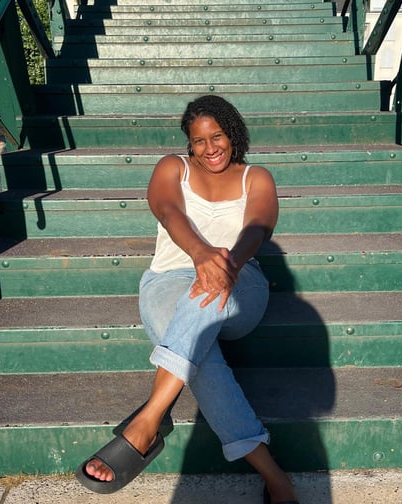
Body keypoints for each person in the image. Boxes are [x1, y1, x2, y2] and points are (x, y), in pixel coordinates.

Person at [76, 95, 299, 504]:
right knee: (200, 346)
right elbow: (166, 209)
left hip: (240, 279)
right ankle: (273, 476)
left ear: (233, 134)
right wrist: (200, 254)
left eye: (217, 137)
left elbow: (258, 226)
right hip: (168, 279)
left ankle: (148, 421)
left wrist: (225, 265)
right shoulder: (171, 168)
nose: (209, 148)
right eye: (198, 141)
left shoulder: (257, 177)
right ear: (188, 143)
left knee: (203, 297)